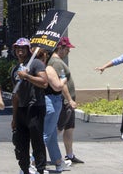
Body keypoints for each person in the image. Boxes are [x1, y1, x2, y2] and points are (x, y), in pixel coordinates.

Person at [10, 38, 48, 174]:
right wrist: (14, 118)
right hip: (21, 109)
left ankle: (40, 169)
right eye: (18, 48)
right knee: (21, 143)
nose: (20, 51)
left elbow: (44, 82)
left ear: (29, 49)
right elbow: (16, 95)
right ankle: (24, 169)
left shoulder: (36, 63)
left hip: (35, 107)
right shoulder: (15, 69)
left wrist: (27, 76)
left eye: (23, 48)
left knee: (37, 142)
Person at [52, 37, 82, 165]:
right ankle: (36, 156)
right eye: (67, 49)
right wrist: (69, 100)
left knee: (69, 128)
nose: (68, 51)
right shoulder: (56, 63)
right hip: (65, 102)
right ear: (60, 48)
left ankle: (70, 155)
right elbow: (61, 84)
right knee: (57, 129)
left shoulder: (59, 61)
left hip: (68, 102)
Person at [42, 49, 71, 173]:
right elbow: (58, 86)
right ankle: (32, 161)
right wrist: (64, 78)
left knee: (52, 134)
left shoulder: (39, 67)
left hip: (48, 101)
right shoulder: (49, 68)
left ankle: (58, 162)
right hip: (52, 101)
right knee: (46, 134)